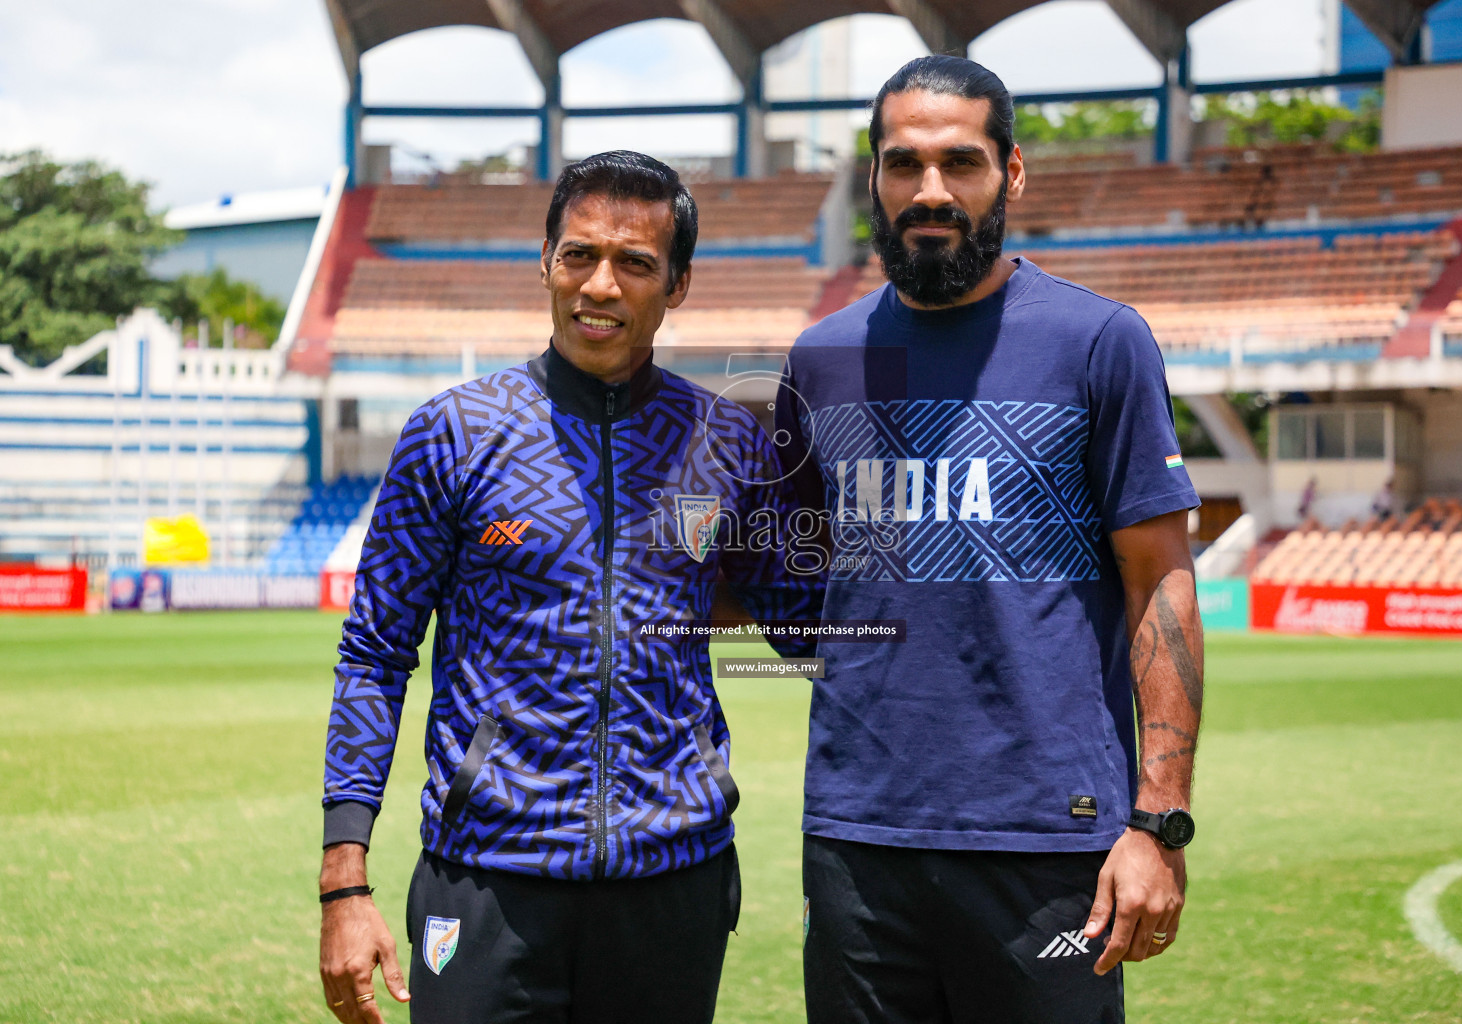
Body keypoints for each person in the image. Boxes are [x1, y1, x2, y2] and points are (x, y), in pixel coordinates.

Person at [317, 151, 821, 1024]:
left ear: (678, 284)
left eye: (635, 263)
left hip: (675, 875)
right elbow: (373, 654)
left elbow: (804, 625)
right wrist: (343, 879)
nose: (601, 285)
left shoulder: (729, 442)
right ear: (544, 260)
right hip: (484, 877)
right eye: (580, 255)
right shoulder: (455, 433)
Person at [775, 56, 1205, 1024]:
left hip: (1051, 838)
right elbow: (797, 593)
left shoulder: (1101, 342)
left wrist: (1160, 823)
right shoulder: (821, 356)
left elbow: (1160, 584)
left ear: (1010, 173)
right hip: (858, 840)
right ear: (875, 179)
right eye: (903, 163)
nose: (931, 191)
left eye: (959, 162)